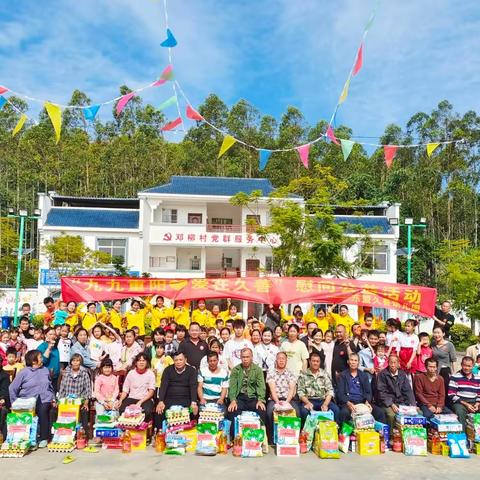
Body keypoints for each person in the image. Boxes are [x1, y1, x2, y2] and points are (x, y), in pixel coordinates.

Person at [9, 350, 55, 447]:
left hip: (44, 397)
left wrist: (53, 398)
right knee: (26, 413)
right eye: (40, 357)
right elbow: (12, 388)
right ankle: (26, 438)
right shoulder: (24, 372)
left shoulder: (45, 370)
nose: (42, 359)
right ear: (33, 361)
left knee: (43, 410)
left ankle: (44, 438)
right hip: (27, 399)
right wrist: (14, 403)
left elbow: (50, 386)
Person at [336, 353, 385, 425]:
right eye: (351, 360)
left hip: (362, 402)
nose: (353, 362)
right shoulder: (343, 375)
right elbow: (340, 394)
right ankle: (344, 434)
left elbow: (368, 392)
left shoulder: (363, 375)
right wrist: (348, 403)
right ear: (348, 362)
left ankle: (380, 433)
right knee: (344, 413)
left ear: (358, 363)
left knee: (379, 412)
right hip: (348, 403)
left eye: (355, 360)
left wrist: (367, 402)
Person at [227, 348, 266, 435]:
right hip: (240, 398)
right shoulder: (236, 370)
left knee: (261, 410)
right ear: (240, 357)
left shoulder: (258, 370)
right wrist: (233, 400)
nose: (245, 359)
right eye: (243, 357)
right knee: (232, 410)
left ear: (251, 357)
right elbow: (232, 386)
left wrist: (260, 400)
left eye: (247, 357)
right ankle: (235, 439)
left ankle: (260, 437)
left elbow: (261, 386)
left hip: (252, 398)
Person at [156, 352, 199, 428]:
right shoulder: (168, 370)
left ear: (185, 360)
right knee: (160, 410)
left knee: (194, 411)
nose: (178, 362)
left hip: (186, 399)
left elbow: (193, 386)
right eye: (176, 360)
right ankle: (161, 434)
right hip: (170, 398)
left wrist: (193, 402)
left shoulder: (191, 370)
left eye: (180, 360)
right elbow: (163, 386)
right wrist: (161, 401)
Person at [375, 355, 417, 431]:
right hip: (387, 402)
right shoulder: (382, 374)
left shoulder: (402, 374)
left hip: (401, 401)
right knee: (392, 415)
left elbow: (408, 391)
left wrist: (413, 405)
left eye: (395, 363)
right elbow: (381, 392)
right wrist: (391, 404)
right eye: (391, 362)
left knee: (417, 412)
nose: (393, 365)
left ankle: (409, 435)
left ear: (398, 364)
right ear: (388, 363)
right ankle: (390, 435)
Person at [266, 352, 299, 442]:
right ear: (276, 360)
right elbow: (272, 389)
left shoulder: (291, 372)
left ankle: (294, 437)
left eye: (283, 358)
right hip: (274, 399)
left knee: (297, 411)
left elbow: (292, 389)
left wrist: (287, 402)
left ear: (286, 360)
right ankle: (271, 436)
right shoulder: (271, 372)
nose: (281, 360)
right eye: (279, 358)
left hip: (288, 399)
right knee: (269, 412)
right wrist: (277, 402)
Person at [297, 352, 339, 422]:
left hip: (323, 400)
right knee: (304, 412)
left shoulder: (324, 374)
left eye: (317, 361)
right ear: (309, 362)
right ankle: (306, 432)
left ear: (320, 363)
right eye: (313, 361)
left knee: (336, 410)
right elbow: (300, 392)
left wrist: (325, 404)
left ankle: (336, 430)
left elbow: (330, 391)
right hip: (309, 400)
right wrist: (307, 403)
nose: (315, 363)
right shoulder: (303, 375)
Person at [57, 353, 92, 435]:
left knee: (84, 411)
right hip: (67, 400)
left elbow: (88, 390)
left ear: (80, 362)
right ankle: (57, 433)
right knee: (54, 411)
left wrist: (86, 403)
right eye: (74, 361)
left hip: (79, 400)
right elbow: (62, 389)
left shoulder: (84, 374)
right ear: (71, 362)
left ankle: (84, 434)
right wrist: (59, 401)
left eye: (78, 361)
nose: (75, 363)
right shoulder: (66, 373)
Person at [117, 353, 156, 421]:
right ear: (136, 363)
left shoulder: (150, 374)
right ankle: (127, 430)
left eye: (143, 360)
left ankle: (142, 430)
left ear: (147, 362)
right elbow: (125, 390)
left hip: (145, 399)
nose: (141, 362)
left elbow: (151, 392)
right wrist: (120, 400)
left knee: (145, 411)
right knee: (122, 410)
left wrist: (140, 402)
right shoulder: (131, 373)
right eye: (139, 360)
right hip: (132, 397)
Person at [448, 356, 480, 431]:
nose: (466, 368)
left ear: (473, 366)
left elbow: (479, 393)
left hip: (474, 401)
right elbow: (451, 394)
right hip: (460, 402)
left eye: (469, 366)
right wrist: (467, 404)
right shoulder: (455, 377)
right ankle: (462, 435)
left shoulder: (478, 378)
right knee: (460, 412)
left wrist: (477, 403)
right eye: (465, 365)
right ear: (461, 365)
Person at [431, 326, 456, 400]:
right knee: (435, 388)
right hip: (434, 370)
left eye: (438, 333)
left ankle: (446, 405)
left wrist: (453, 373)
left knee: (445, 388)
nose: (436, 335)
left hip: (445, 370)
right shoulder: (432, 344)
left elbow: (453, 360)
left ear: (443, 334)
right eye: (435, 333)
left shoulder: (449, 345)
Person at [0, 362, 9, 438]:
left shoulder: (4, 375)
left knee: (3, 410)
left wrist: (2, 398)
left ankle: (2, 435)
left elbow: (5, 391)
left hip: (1, 400)